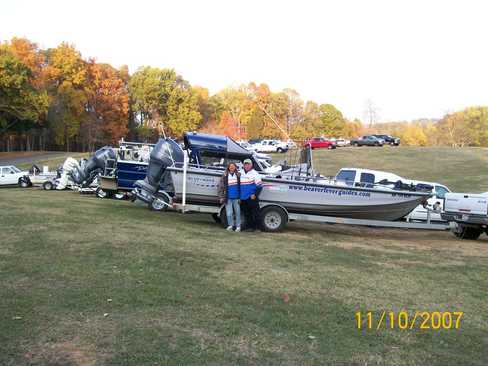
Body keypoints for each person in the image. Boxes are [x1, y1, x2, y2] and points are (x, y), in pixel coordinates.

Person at [240, 158, 262, 232]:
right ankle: (249, 227)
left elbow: (260, 186)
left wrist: (255, 194)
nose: (247, 165)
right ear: (243, 165)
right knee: (247, 214)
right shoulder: (240, 173)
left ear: (251, 165)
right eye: (245, 164)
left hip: (252, 197)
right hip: (243, 197)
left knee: (255, 213)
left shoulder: (255, 173)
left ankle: (258, 228)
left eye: (248, 164)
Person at [218, 162, 241, 232]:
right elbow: (221, 187)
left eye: (233, 166)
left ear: (235, 167)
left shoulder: (238, 175)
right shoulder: (225, 175)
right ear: (228, 167)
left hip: (237, 197)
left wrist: (241, 197)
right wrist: (221, 197)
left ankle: (238, 226)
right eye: (230, 166)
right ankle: (230, 225)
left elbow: (242, 186)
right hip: (228, 197)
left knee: (237, 212)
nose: (231, 167)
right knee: (229, 213)